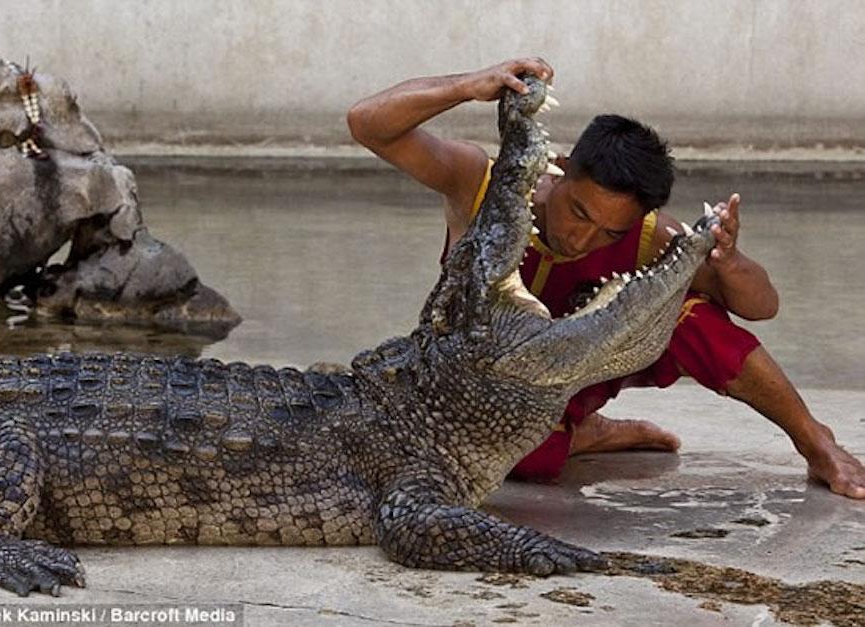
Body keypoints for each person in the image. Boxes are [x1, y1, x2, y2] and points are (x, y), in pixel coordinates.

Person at [347, 57, 865, 499]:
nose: (580, 238)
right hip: (480, 375)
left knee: (690, 314)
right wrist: (468, 85)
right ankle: (582, 433)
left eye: (606, 230)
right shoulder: (483, 184)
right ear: (564, 167)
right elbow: (367, 122)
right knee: (531, 464)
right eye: (578, 211)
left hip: (577, 365)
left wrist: (729, 262)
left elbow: (760, 306)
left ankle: (816, 441)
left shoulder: (650, 235)